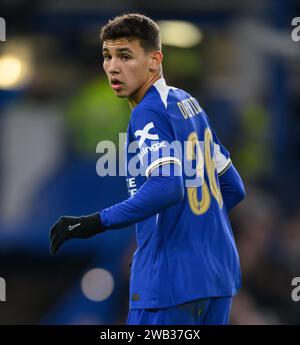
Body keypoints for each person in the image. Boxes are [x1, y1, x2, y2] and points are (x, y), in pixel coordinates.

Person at [49, 13, 246, 325]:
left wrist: (93, 222)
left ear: (154, 61)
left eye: (125, 56)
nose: (113, 67)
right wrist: (193, 232)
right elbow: (234, 187)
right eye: (107, 56)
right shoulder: (188, 104)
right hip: (218, 278)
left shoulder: (148, 113)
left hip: (169, 282)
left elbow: (168, 186)